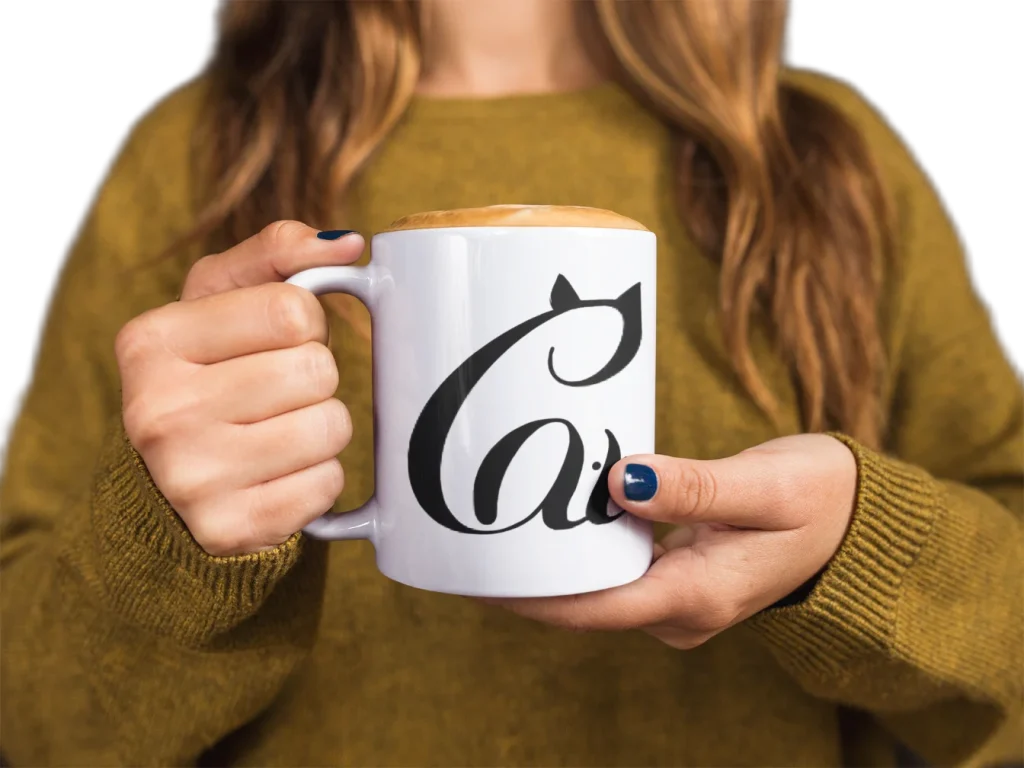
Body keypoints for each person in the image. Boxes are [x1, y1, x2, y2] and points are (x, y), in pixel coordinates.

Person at [1, 1, 1020, 766]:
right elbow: (32, 722)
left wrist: (861, 552)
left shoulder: (826, 165)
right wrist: (168, 544)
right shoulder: (192, 163)